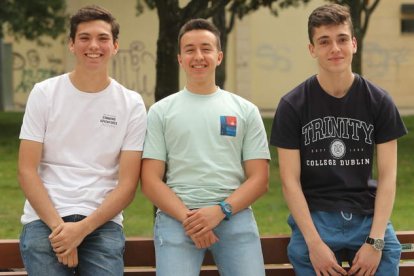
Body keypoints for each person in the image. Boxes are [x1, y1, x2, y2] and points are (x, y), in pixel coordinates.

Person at [270, 3, 407, 276]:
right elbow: (289, 180)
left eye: (342, 39)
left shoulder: (378, 101)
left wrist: (376, 240)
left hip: (367, 216)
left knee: (390, 249)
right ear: (312, 49)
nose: (335, 48)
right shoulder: (292, 105)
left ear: (354, 44)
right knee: (303, 252)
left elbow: (389, 175)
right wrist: (313, 243)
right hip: (316, 217)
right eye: (324, 41)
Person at [17, 5, 147, 275]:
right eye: (85, 38)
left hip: (102, 222)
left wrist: (81, 230)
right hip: (45, 220)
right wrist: (61, 230)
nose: (94, 46)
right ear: (71, 45)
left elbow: (127, 184)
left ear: (115, 46)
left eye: (103, 38)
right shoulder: (44, 93)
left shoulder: (131, 104)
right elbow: (27, 170)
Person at [141, 18, 270, 276]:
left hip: (234, 215)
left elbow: (260, 179)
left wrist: (220, 211)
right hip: (178, 218)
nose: (198, 56)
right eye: (189, 49)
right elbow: (150, 180)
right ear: (180, 58)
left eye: (206, 48)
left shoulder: (245, 110)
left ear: (219, 56)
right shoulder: (161, 112)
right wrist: (191, 220)